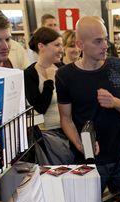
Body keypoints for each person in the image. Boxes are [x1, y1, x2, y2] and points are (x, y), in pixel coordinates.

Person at [56, 16, 120, 202]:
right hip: (88, 160)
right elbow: (66, 119)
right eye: (98, 41)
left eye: (106, 39)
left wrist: (115, 102)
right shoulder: (65, 75)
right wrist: (80, 144)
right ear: (80, 44)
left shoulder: (119, 67)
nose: (105, 45)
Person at [24, 27, 74, 165]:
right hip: (48, 137)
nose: (61, 49)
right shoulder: (29, 74)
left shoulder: (63, 69)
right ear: (41, 46)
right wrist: (49, 82)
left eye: (61, 45)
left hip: (71, 131)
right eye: (57, 45)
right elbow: (40, 107)